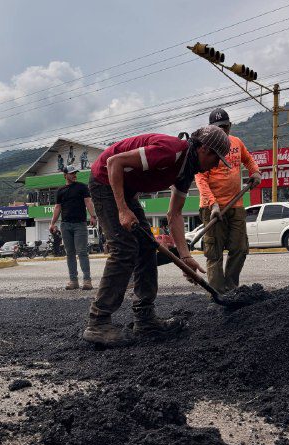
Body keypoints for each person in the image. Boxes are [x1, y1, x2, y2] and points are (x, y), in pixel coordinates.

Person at [84, 126, 232, 346]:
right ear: (203, 149)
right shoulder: (171, 151)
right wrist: (122, 210)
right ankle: (98, 323)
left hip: (127, 189)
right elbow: (114, 162)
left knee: (146, 246)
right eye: (216, 158)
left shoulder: (186, 171)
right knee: (124, 248)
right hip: (105, 180)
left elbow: (174, 215)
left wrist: (185, 257)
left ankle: (145, 319)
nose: (217, 164)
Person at [195, 108, 261, 293]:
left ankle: (231, 290)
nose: (222, 131)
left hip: (236, 205)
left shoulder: (236, 142)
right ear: (210, 128)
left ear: (230, 126)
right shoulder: (205, 148)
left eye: (225, 127)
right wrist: (213, 204)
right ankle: (217, 295)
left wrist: (255, 172)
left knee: (240, 249)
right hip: (212, 208)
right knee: (214, 253)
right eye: (218, 128)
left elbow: (249, 160)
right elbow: (201, 179)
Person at [50, 165, 96, 290]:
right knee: (69, 253)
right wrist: (52, 223)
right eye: (72, 173)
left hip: (80, 224)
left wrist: (93, 216)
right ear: (65, 175)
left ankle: (87, 281)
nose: (74, 175)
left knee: (82, 252)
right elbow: (57, 207)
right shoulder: (60, 190)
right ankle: (73, 281)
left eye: (75, 173)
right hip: (65, 225)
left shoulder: (82, 187)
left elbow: (88, 201)